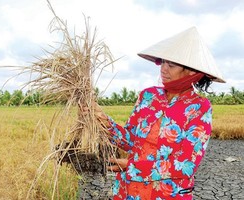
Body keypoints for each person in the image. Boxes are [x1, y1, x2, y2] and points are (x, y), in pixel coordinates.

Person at [94, 27, 225, 199]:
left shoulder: (199, 107)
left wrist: (132, 167)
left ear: (192, 71)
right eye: (162, 62)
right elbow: (130, 140)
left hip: (167, 193)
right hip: (130, 191)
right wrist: (103, 120)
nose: (163, 69)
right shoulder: (148, 96)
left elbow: (187, 164)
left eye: (171, 64)